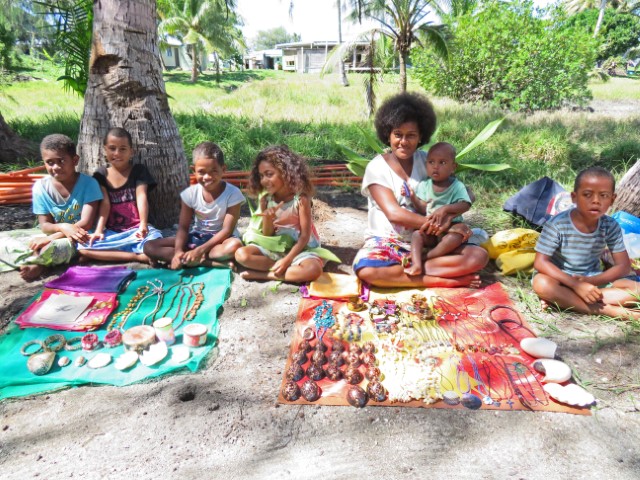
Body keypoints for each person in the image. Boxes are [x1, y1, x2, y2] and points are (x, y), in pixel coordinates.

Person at [353, 92, 488, 288]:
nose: (404, 142)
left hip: (429, 243)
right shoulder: (377, 167)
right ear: (387, 134)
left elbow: (464, 192)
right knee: (368, 271)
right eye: (398, 134)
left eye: (411, 135)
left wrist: (450, 212)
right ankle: (442, 280)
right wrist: (447, 226)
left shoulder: (428, 160)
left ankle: (414, 266)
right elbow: (394, 214)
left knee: (477, 256)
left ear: (421, 137)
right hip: (388, 242)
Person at [533, 166, 640, 319]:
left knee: (636, 289)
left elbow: (623, 266)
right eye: (587, 195)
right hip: (559, 279)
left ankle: (566, 300)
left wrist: (589, 281)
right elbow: (541, 263)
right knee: (541, 283)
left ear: (612, 199)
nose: (596, 201)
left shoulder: (610, 225)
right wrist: (576, 285)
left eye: (603, 195)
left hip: (593, 282)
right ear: (574, 197)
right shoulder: (557, 224)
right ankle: (609, 311)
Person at [0, 134, 103, 281]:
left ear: (75, 160)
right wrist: (62, 227)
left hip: (80, 236)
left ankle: (38, 264)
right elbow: (45, 225)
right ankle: (35, 259)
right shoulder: (40, 187)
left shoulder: (89, 184)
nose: (56, 167)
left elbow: (86, 223)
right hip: (55, 233)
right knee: (4, 241)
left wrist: (54, 237)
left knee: (55, 247)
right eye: (50, 162)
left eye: (61, 161)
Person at [235, 145, 336, 283]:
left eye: (269, 174)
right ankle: (283, 269)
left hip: (300, 249)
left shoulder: (300, 199)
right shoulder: (266, 199)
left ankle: (265, 275)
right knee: (242, 255)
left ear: (286, 172)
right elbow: (267, 236)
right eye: (261, 176)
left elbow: (305, 237)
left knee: (313, 270)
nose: (264, 180)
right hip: (275, 248)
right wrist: (268, 220)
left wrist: (287, 260)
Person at [143, 141, 244, 269]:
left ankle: (192, 259)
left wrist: (200, 250)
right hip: (196, 238)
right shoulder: (190, 194)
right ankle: (204, 261)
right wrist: (178, 251)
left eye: (214, 171)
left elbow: (226, 230)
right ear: (194, 170)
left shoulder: (233, 193)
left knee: (234, 246)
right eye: (202, 172)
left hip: (221, 241)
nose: (207, 177)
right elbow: (184, 227)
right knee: (149, 246)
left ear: (223, 169)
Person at [78, 127, 162, 263]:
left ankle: (109, 254)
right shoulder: (101, 174)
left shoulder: (138, 171)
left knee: (154, 241)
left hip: (138, 230)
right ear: (105, 149)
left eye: (123, 149)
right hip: (115, 232)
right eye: (112, 148)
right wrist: (99, 230)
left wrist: (143, 224)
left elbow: (142, 197)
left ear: (131, 152)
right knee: (83, 247)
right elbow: (105, 204)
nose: (117, 153)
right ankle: (138, 257)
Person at [404, 142, 473, 276]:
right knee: (417, 235)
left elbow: (466, 204)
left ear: (453, 167)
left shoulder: (457, 186)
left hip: (450, 229)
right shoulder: (425, 185)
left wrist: (446, 209)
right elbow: (423, 209)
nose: (435, 167)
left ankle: (426, 257)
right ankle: (417, 264)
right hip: (430, 230)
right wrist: (413, 198)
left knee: (456, 237)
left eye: (442, 163)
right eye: (431, 162)